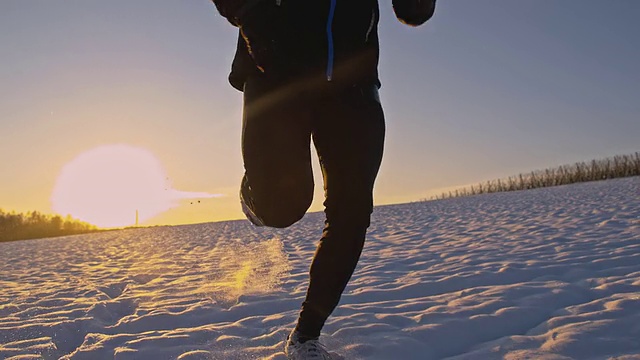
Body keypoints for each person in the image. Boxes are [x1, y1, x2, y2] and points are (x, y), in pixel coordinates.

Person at [211, 0, 436, 358]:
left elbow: (414, 12)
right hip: (277, 69)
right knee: (281, 207)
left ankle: (305, 337)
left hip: (353, 85)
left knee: (352, 214)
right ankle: (259, 194)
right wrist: (255, 21)